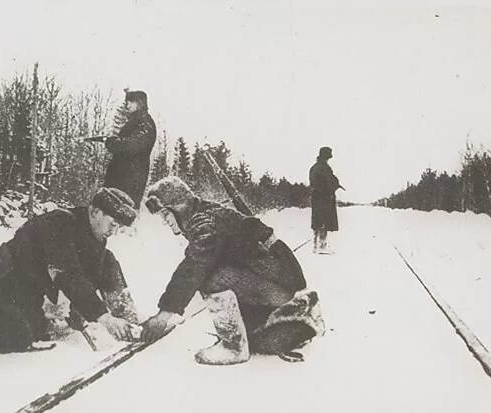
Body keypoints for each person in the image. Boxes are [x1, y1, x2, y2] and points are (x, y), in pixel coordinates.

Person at [140, 177, 324, 365]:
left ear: (178, 207)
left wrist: (164, 314)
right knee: (259, 338)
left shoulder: (205, 222)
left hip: (280, 289)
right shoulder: (208, 213)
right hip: (280, 286)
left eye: (165, 215)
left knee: (211, 277)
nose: (164, 222)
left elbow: (193, 267)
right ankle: (291, 321)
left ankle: (233, 346)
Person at [0, 187, 141, 343]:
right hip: (13, 275)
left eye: (117, 227)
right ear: (94, 212)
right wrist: (103, 317)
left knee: (108, 260)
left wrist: (82, 308)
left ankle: (126, 317)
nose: (113, 231)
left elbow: (91, 276)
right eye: (112, 224)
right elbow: (67, 274)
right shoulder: (60, 224)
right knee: (28, 333)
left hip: (44, 280)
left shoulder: (95, 235)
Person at [104, 89, 156, 207]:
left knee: (124, 213)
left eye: (130, 101)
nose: (126, 104)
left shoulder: (145, 122)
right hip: (123, 177)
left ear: (139, 103)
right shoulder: (136, 122)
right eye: (126, 101)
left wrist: (113, 143)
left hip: (131, 178)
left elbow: (134, 145)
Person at [309, 146, 343, 254]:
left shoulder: (314, 167)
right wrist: (335, 185)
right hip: (325, 197)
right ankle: (321, 246)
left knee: (317, 221)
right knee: (324, 221)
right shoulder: (324, 167)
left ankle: (315, 245)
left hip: (316, 197)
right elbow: (330, 181)